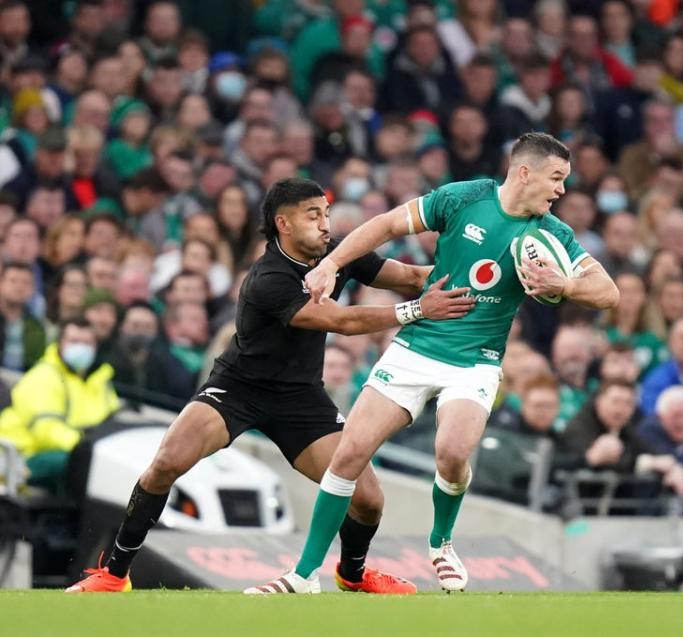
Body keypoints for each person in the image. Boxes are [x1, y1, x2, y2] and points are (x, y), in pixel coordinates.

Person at [66, 178, 475, 594]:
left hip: (301, 398)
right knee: (167, 462)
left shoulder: (336, 255)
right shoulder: (268, 278)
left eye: (327, 214)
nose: (324, 225)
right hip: (239, 388)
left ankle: (352, 575)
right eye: (312, 215)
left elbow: (410, 274)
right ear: (284, 223)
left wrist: (480, 277)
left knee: (368, 500)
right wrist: (419, 310)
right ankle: (115, 574)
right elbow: (342, 322)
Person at [296, 132, 619, 591]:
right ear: (524, 172)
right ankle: (304, 574)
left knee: (450, 454)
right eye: (556, 178)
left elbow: (609, 293)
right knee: (349, 452)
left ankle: (441, 541)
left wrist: (564, 285)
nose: (561, 190)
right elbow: (388, 224)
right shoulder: (463, 197)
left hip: (477, 360)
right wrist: (331, 263)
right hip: (418, 345)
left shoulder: (552, 233)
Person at [0, 318, 118, 493]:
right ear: (59, 343)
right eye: (74, 341)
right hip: (25, 455)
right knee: (77, 465)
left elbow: (113, 422)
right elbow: (46, 431)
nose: (81, 348)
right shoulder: (44, 376)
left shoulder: (100, 381)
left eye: (87, 343)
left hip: (79, 451)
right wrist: (85, 449)